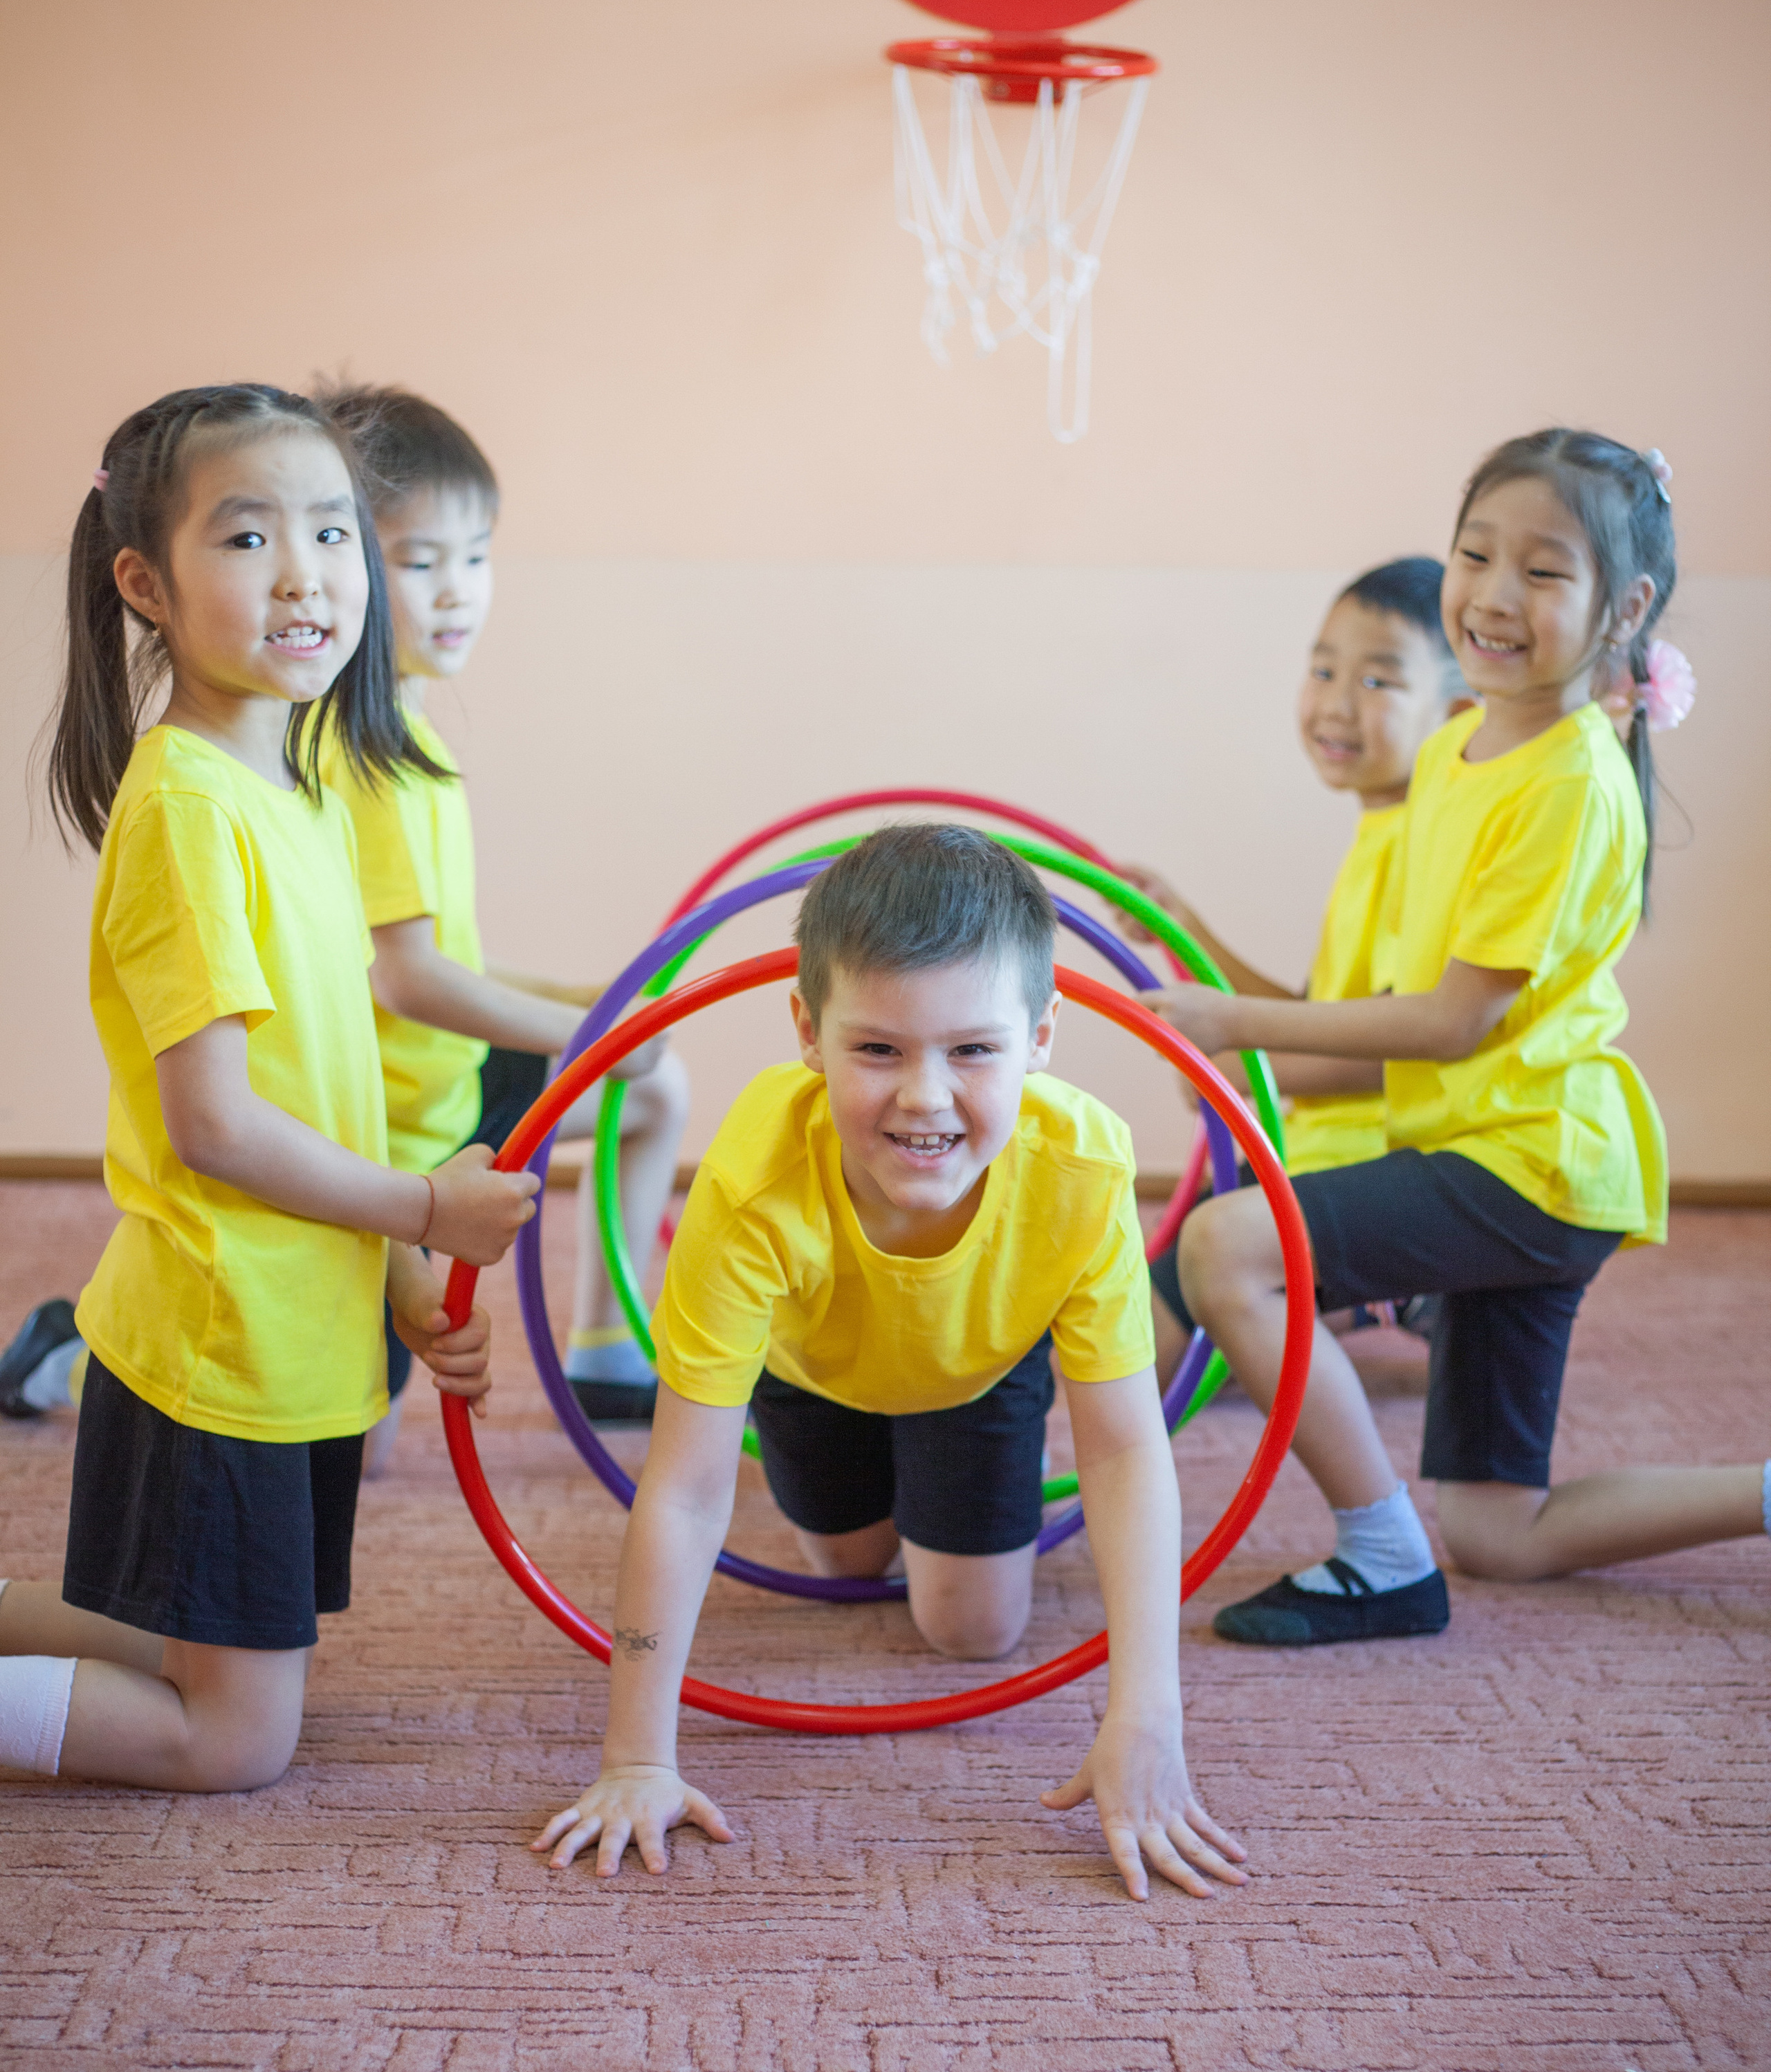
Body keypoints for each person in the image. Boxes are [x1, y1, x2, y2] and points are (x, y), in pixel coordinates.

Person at [531, 825, 1250, 1903]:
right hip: (813, 1369)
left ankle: (954, 1491)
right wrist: (637, 1757)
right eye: (878, 1050)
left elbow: (1119, 1448)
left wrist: (1145, 1713)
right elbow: (682, 1489)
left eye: (972, 1050)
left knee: (971, 1630)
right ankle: (877, 1481)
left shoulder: (1082, 1172)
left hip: (979, 1367)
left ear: (1042, 1037)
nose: (924, 1096)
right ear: (808, 1035)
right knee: (847, 1569)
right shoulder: (750, 1185)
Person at [0, 385, 538, 1792]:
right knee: (235, 1740)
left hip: (293, 1331)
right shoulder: (187, 810)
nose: (308, 575)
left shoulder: (293, 786)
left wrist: (404, 1280)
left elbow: (328, 1089)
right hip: (220, 1343)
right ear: (145, 585)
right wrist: (426, 1200)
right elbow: (218, 1124)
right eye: (246, 540)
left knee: (182, 1640)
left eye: (334, 535)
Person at [1148, 428, 1768, 1645]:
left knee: (1230, 1250)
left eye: (1543, 571)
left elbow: (1448, 1021)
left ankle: (1380, 1558)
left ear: (1622, 606)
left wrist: (1237, 1025)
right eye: (1475, 553)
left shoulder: (1572, 780)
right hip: (1503, 1155)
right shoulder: (1454, 751)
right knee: (1498, 1529)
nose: (1492, 593)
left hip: (1528, 1160)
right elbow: (1397, 1005)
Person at [311, 385, 690, 1462]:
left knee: (654, 1079)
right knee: (354, 1444)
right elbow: (408, 980)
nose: (457, 591)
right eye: (419, 560)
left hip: (443, 1081)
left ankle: (608, 1344)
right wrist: (581, 1035)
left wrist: (582, 1003)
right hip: (376, 1136)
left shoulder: (409, 726)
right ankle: (67, 1351)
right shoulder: (365, 752)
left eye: (475, 557)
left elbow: (442, 962)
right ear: (338, 558)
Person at [1112, 556, 1467, 1381]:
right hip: (1308, 1151)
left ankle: (1394, 1294)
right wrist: (1191, 928)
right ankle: (1361, 1305)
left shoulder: (1428, 842)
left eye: (1378, 682)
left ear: (1453, 714)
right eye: (1322, 668)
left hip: (1362, 1165)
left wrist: (1244, 1065)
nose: (1336, 702)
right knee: (1123, 1331)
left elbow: (1401, 1040)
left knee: (1138, 1358)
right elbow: (1318, 1009)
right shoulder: (1380, 829)